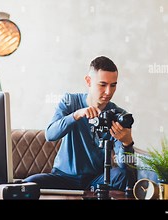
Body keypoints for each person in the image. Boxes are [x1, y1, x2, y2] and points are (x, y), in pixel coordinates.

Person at [24, 56, 136, 192]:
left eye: (113, 85)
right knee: (28, 184)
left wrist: (127, 143)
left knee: (122, 175)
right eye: (102, 84)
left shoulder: (118, 115)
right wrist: (76, 115)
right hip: (63, 177)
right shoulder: (70, 102)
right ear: (88, 81)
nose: (108, 92)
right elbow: (50, 135)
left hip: (95, 180)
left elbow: (126, 170)